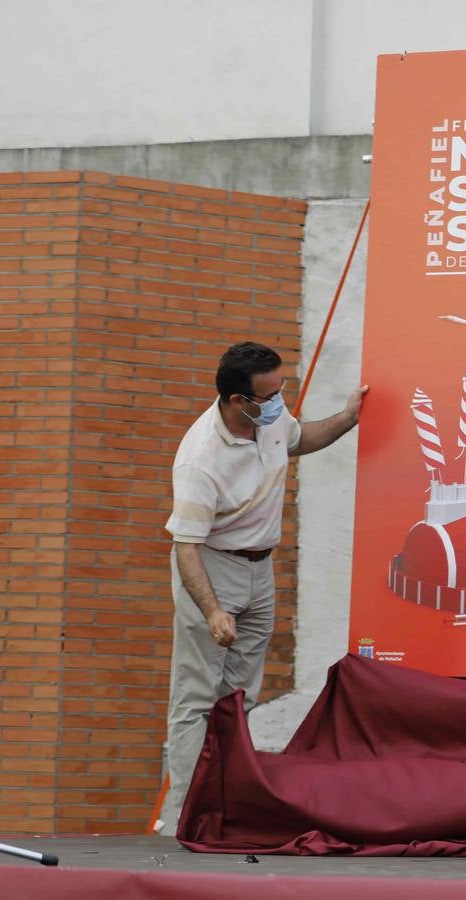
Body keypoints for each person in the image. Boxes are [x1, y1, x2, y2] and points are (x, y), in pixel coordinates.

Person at [161, 342, 368, 833]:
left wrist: (348, 417)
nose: (280, 401)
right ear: (238, 401)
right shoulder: (200, 459)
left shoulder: (268, 419)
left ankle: (227, 803)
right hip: (211, 567)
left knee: (238, 695)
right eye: (271, 394)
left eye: (282, 389)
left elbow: (301, 439)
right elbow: (186, 546)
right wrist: (212, 610)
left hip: (260, 569)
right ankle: (187, 817)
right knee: (196, 696)